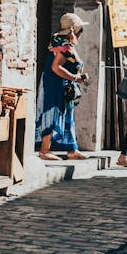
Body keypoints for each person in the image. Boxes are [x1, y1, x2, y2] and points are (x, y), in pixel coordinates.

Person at [36, 13, 90, 160]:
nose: (81, 34)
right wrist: (75, 77)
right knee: (52, 113)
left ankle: (71, 149)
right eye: (80, 30)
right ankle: (44, 150)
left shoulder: (59, 40)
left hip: (62, 84)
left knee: (67, 115)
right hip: (55, 84)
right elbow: (56, 67)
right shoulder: (64, 45)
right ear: (74, 31)